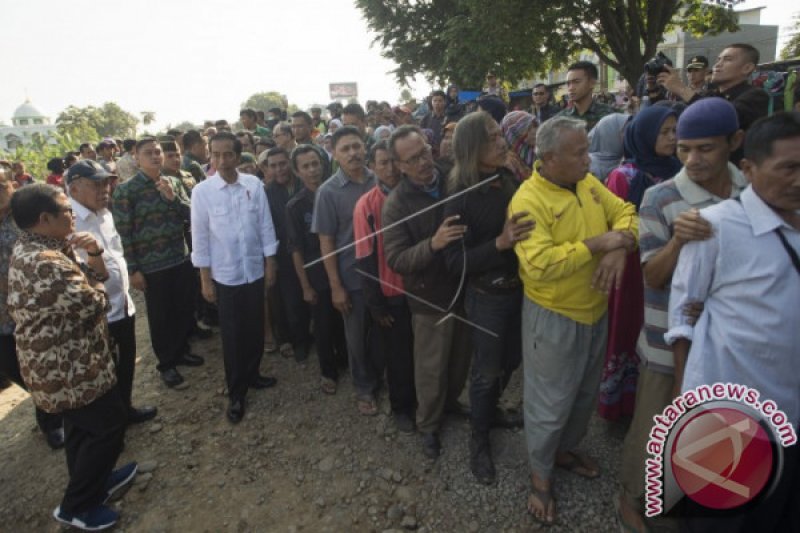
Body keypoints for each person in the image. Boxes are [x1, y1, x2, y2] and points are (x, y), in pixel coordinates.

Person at [615, 97, 748, 533]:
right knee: (658, 422)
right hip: (664, 341)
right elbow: (651, 275)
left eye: (705, 149)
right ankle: (635, 499)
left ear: (735, 142)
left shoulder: (753, 191)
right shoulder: (660, 196)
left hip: (730, 340)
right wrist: (678, 242)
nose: (692, 159)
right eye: (684, 148)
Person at [665, 111, 800, 533]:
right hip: (727, 422)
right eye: (789, 168)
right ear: (749, 168)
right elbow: (682, 316)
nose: (799, 179)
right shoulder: (715, 227)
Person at [509, 116, 637, 525]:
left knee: (583, 396)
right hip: (555, 316)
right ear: (548, 158)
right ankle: (540, 476)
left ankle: (563, 451)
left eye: (586, 149)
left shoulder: (587, 184)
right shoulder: (528, 201)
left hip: (595, 310)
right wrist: (599, 243)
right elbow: (541, 264)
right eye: (579, 152)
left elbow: (628, 213)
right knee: (550, 402)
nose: (589, 158)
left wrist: (621, 247)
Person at [8, 184, 136, 531]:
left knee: (81, 429)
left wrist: (93, 254)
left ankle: (96, 483)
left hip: (71, 360)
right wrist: (94, 276)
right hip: (68, 368)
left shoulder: (41, 245)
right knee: (109, 425)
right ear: (44, 219)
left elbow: (98, 279)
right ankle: (76, 507)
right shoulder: (44, 262)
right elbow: (98, 301)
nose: (73, 215)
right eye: (66, 210)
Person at [443, 112, 534, 484]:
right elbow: (452, 261)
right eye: (492, 138)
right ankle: (478, 439)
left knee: (512, 359)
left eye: (501, 134)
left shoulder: (508, 176)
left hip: (520, 288)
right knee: (485, 372)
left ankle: (491, 411)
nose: (502, 142)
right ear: (471, 148)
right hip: (487, 297)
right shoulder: (458, 196)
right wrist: (499, 243)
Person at [382, 125, 471, 460]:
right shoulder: (396, 204)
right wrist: (432, 245)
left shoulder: (452, 175)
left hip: (463, 285)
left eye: (424, 151)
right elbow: (396, 258)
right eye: (413, 158)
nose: (424, 161)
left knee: (461, 358)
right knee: (431, 368)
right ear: (400, 166)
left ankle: (452, 403)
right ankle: (429, 425)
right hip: (429, 298)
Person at [598, 106, 681, 423]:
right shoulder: (624, 176)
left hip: (672, 266)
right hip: (632, 269)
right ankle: (620, 404)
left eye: (675, 130)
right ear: (645, 135)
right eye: (664, 131)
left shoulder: (677, 169)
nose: (672, 138)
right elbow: (615, 226)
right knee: (628, 328)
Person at [191, 132, 278, 423]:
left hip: (253, 270)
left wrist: (270, 262)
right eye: (215, 155)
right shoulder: (202, 192)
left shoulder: (253, 185)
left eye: (227, 154)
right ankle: (236, 392)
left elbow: (265, 226)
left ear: (238, 157)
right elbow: (200, 238)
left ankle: (254, 373)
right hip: (226, 276)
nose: (221, 160)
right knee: (232, 336)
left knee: (254, 327)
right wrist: (205, 279)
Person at [67, 160, 158, 424]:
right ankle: (111, 425)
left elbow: (116, 254)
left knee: (125, 363)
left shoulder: (105, 213)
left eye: (107, 182)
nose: (105, 188)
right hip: (98, 315)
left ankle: (124, 409)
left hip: (123, 305)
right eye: (96, 184)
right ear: (74, 189)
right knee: (105, 372)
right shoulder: (69, 222)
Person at [112, 138, 203, 389]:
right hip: (152, 266)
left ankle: (182, 350)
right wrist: (133, 269)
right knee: (161, 317)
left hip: (181, 257)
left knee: (184, 308)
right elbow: (123, 233)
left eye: (158, 152)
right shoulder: (126, 190)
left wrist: (172, 197)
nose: (155, 156)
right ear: (136, 158)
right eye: (148, 153)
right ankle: (167, 364)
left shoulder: (172, 182)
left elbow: (190, 215)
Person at [311, 126, 379, 415]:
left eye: (356, 146)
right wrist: (335, 285)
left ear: (365, 147)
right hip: (352, 277)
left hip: (385, 273)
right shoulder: (327, 192)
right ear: (335, 155)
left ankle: (384, 376)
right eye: (345, 149)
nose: (353, 153)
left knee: (383, 332)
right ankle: (364, 388)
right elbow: (326, 241)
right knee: (356, 338)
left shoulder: (381, 179)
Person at [353, 140, 416, 433]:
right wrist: (375, 303)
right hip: (391, 292)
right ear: (372, 167)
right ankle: (402, 407)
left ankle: (429, 402)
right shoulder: (366, 205)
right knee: (398, 356)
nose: (390, 168)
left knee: (423, 352)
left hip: (422, 288)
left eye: (394, 160)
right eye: (383, 163)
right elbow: (364, 257)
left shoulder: (417, 192)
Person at [0, 167, 64, 450]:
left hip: (41, 307)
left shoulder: (26, 213)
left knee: (44, 362)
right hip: (5, 313)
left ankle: (52, 421)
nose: (3, 189)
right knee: (15, 367)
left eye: (3, 183)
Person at [286, 145, 348, 394]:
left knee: (345, 321)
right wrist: (305, 286)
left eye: (315, 164)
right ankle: (328, 371)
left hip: (343, 266)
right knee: (322, 325)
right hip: (317, 275)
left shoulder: (335, 193)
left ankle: (347, 361)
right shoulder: (295, 206)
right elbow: (296, 249)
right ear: (297, 172)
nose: (312, 170)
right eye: (305, 166)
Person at [657, 44, 768, 163]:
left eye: (727, 59)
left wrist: (681, 89)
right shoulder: (710, 94)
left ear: (747, 68)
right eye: (718, 59)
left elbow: (719, 118)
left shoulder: (755, 96)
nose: (717, 65)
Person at [263, 147, 309, 361]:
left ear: (290, 162)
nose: (279, 169)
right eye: (273, 166)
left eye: (282, 163)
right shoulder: (266, 192)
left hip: (309, 250)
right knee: (290, 301)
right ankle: (299, 341)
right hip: (283, 253)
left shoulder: (304, 184)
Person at [557, 61, 617, 131]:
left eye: (576, 82)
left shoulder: (610, 115)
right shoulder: (560, 119)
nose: (570, 88)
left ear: (592, 83)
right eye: (568, 83)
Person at [588, 113, 629, 183]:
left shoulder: (626, 163)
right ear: (610, 134)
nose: (628, 135)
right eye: (624, 131)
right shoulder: (587, 167)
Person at [500, 111, 537, 181]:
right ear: (513, 134)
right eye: (528, 129)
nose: (534, 131)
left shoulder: (540, 149)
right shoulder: (510, 165)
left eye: (535, 126)